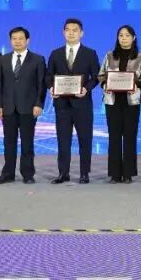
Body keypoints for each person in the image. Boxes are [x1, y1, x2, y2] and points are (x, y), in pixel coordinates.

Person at [46, 18, 100, 184]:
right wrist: (51, 88)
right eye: (68, 30)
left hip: (82, 104)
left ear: (81, 33)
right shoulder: (55, 53)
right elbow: (48, 76)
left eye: (75, 30)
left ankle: (84, 173)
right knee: (63, 140)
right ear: (63, 32)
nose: (71, 33)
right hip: (62, 104)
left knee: (85, 140)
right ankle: (63, 173)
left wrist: (86, 89)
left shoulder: (90, 53)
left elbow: (96, 77)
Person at [0, 26, 46, 185]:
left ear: (27, 40)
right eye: (14, 38)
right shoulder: (2, 59)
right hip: (8, 108)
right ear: (10, 41)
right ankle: (8, 173)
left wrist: (39, 104)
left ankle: (28, 174)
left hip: (29, 108)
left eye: (21, 38)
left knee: (27, 143)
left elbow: (41, 85)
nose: (17, 41)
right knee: (8, 143)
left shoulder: (38, 59)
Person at [98, 25, 141, 184]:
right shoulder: (109, 56)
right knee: (114, 137)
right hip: (112, 101)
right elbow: (101, 75)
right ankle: (115, 174)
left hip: (132, 101)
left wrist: (137, 85)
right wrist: (105, 84)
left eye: (127, 35)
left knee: (130, 137)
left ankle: (128, 174)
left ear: (134, 38)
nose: (124, 38)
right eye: (121, 35)